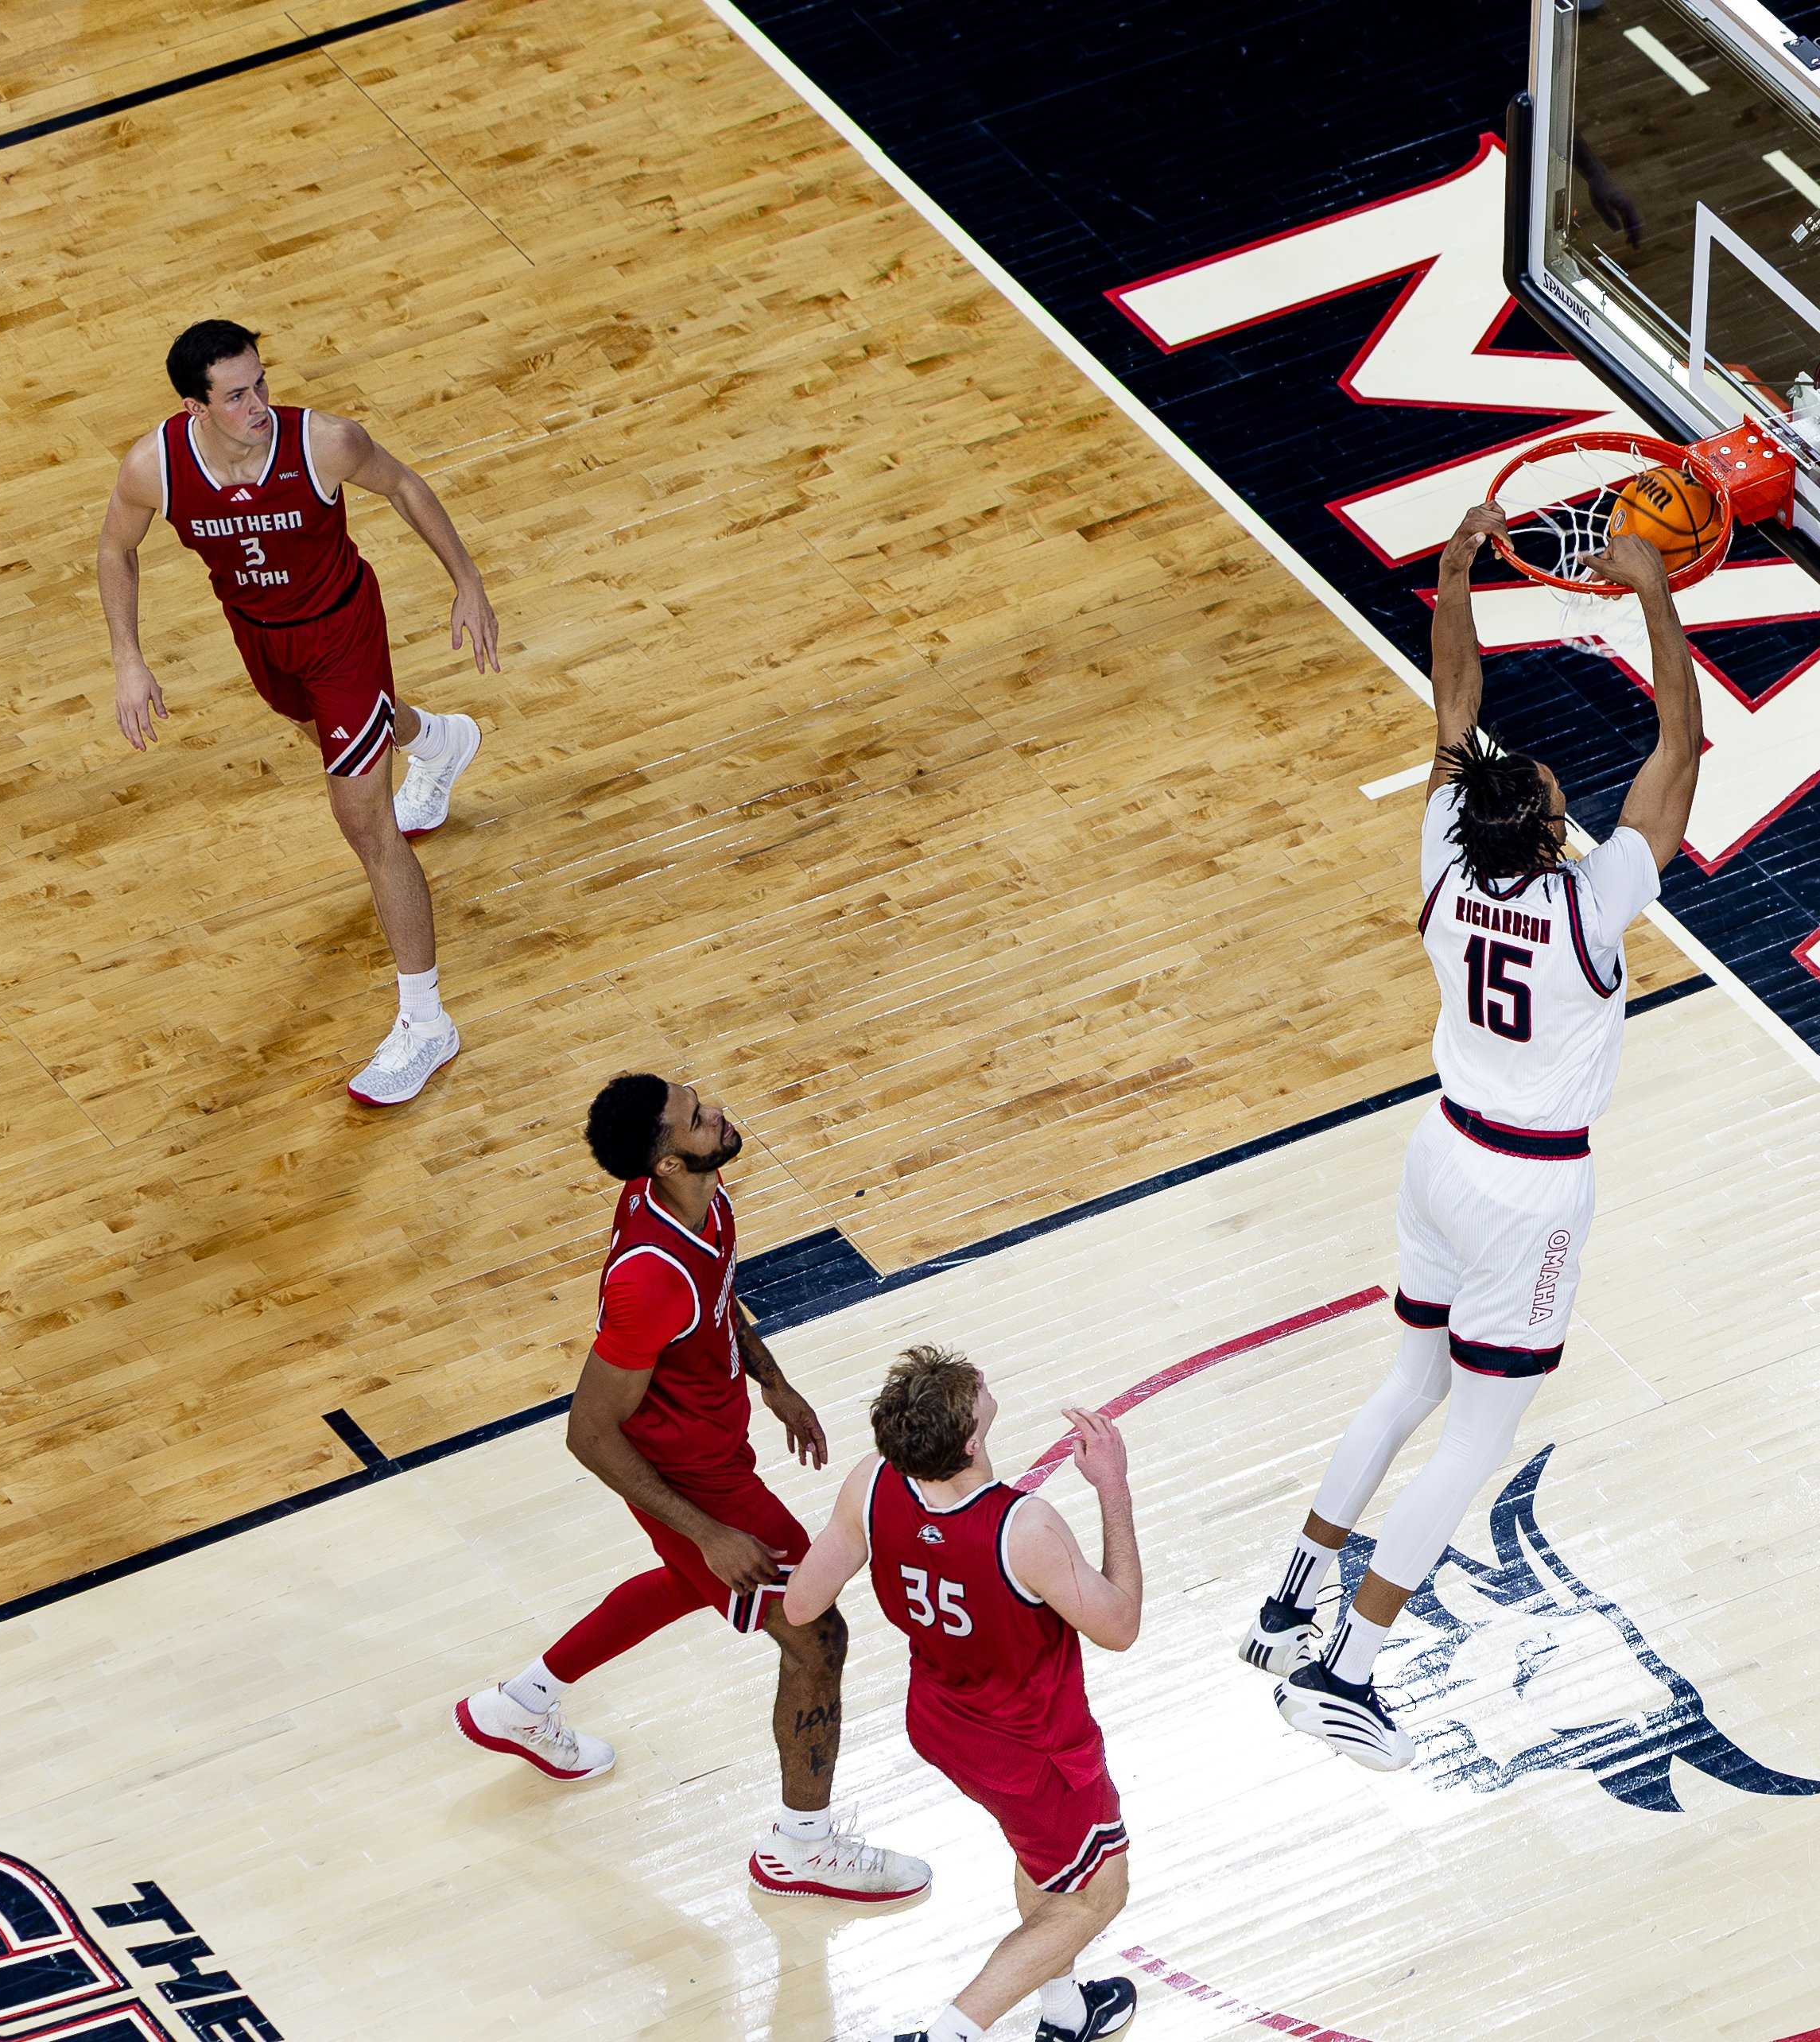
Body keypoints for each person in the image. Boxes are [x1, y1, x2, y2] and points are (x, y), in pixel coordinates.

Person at [1240, 505, 1702, 1769]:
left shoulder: (1447, 856)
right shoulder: (1593, 904)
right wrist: (1654, 589)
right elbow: (1681, 746)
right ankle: (1347, 1668)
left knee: (1408, 1381)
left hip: (1438, 1151)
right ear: (1547, 825)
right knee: (1480, 1436)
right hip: (1527, 1191)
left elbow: (1453, 707)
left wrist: (1451, 577)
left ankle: (1291, 1602)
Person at [452, 1072, 930, 1906]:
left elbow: (717, 1299)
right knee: (815, 1634)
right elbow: (590, 1432)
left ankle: (520, 1705)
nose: (718, 1112)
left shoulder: (705, 1197)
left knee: (690, 1586)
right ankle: (801, 1847)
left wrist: (770, 1381)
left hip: (719, 1447)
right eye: (698, 1117)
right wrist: (705, 1528)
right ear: (668, 1161)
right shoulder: (646, 1280)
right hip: (687, 1479)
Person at [94, 321, 495, 1106]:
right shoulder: (155, 467)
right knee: (328, 730)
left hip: (343, 631)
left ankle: (426, 1023)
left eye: (261, 384)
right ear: (194, 406)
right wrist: (127, 660)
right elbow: (116, 548)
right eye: (237, 395)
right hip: (261, 638)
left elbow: (406, 484)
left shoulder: (325, 444)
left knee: (365, 823)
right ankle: (439, 743)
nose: (259, 405)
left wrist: (468, 581)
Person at [780, 1349, 1143, 2042]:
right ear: (971, 1439)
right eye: (973, 1388)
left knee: (1044, 1858)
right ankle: (951, 2034)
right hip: (1033, 1746)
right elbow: (1120, 1626)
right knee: (1095, 1896)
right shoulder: (1024, 1528)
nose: (980, 1378)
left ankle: (1066, 2012)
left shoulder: (874, 1483)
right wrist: (1113, 1489)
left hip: (943, 1722)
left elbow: (800, 1604)